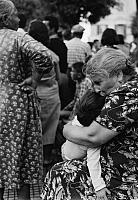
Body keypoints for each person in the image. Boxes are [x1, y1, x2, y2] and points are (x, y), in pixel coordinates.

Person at [41, 48, 138, 200]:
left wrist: (66, 129)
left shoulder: (129, 94)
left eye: (98, 82)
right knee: (63, 171)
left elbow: (92, 137)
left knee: (60, 174)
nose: (96, 89)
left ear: (119, 74)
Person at [0, 0, 55, 199]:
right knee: (22, 159)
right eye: (15, 14)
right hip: (15, 104)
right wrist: (35, 78)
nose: (18, 18)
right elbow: (45, 56)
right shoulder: (17, 38)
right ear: (5, 19)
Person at [61, 89, 112, 199]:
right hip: (72, 158)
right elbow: (93, 162)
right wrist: (99, 187)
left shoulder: (79, 118)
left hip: (67, 149)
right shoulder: (92, 138)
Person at [28, 19, 61, 166]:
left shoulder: (28, 54)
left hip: (34, 95)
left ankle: (34, 160)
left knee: (35, 128)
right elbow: (59, 78)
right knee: (50, 129)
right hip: (52, 95)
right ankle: (46, 158)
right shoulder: (52, 55)